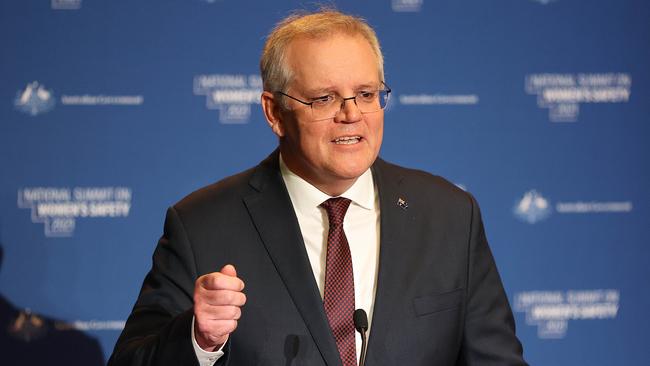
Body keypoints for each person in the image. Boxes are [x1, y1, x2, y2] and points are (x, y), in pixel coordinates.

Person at [108, 9, 527, 366]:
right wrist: (199, 340)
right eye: (324, 98)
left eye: (366, 94)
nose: (351, 115)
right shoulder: (202, 225)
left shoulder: (450, 216)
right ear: (274, 112)